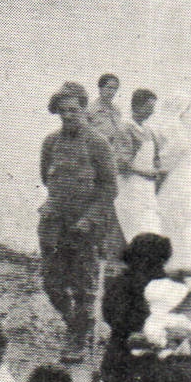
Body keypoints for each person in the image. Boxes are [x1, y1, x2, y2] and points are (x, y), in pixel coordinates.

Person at [38, 83, 118, 363]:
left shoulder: (98, 143)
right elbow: (47, 178)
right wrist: (53, 202)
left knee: (84, 286)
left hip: (86, 226)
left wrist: (89, 218)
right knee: (52, 283)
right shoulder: (50, 142)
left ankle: (77, 338)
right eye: (63, 111)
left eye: (74, 110)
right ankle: (76, 325)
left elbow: (110, 188)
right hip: (55, 222)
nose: (68, 116)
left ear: (84, 109)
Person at [101, 232, 173, 382]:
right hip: (127, 359)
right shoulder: (124, 286)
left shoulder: (157, 284)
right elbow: (119, 321)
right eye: (160, 262)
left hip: (135, 356)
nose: (162, 267)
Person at [85, 73, 131, 258]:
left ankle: (102, 243)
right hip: (94, 161)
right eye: (109, 87)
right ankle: (90, 243)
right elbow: (86, 137)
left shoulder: (117, 111)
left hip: (111, 162)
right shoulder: (90, 111)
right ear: (100, 88)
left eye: (115, 88)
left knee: (109, 200)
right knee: (93, 199)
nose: (112, 92)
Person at [155, 91, 191, 274]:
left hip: (179, 182)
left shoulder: (172, 127)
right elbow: (168, 158)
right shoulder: (173, 127)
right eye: (188, 108)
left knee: (175, 221)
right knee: (175, 221)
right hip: (176, 183)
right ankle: (174, 264)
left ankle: (173, 263)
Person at [114, 88, 163, 242]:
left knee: (152, 230)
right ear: (137, 106)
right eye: (149, 107)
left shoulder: (149, 131)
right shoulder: (125, 128)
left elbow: (156, 157)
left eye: (153, 108)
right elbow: (122, 163)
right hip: (130, 188)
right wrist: (145, 172)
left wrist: (157, 167)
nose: (152, 111)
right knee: (136, 233)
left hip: (147, 190)